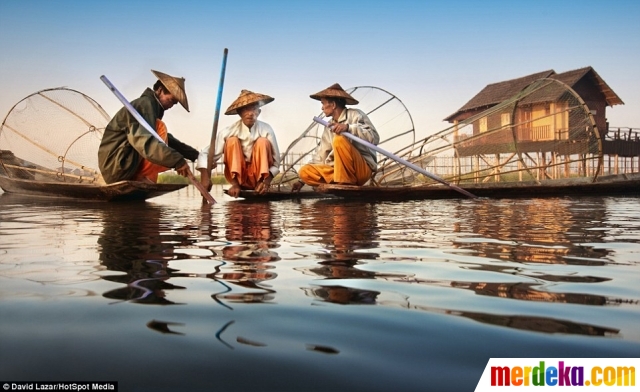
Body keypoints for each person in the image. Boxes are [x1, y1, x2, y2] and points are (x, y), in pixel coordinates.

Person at [98, 69, 202, 184]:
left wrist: (195, 155)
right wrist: (177, 161)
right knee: (160, 128)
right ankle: (140, 176)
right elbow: (145, 141)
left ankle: (139, 176)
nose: (171, 106)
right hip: (117, 166)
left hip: (120, 165)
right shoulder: (145, 105)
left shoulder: (151, 108)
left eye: (174, 103)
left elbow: (166, 140)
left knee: (160, 134)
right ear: (160, 91)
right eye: (171, 100)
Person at [292, 83, 379, 192]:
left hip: (360, 170)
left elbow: (374, 137)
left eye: (323, 103)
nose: (322, 107)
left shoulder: (355, 115)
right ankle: (341, 181)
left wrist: (348, 128)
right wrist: (302, 182)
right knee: (304, 172)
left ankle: (344, 181)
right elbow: (321, 154)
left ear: (333, 105)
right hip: (339, 172)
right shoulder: (329, 126)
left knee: (339, 139)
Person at [198, 89, 280, 197]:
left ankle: (260, 184)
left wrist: (266, 182)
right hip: (239, 180)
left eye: (254, 109)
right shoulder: (228, 131)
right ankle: (236, 184)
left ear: (258, 112)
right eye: (246, 109)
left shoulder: (266, 129)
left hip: (261, 179)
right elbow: (205, 154)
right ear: (239, 113)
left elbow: (276, 162)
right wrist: (205, 177)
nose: (250, 114)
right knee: (232, 141)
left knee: (262, 142)